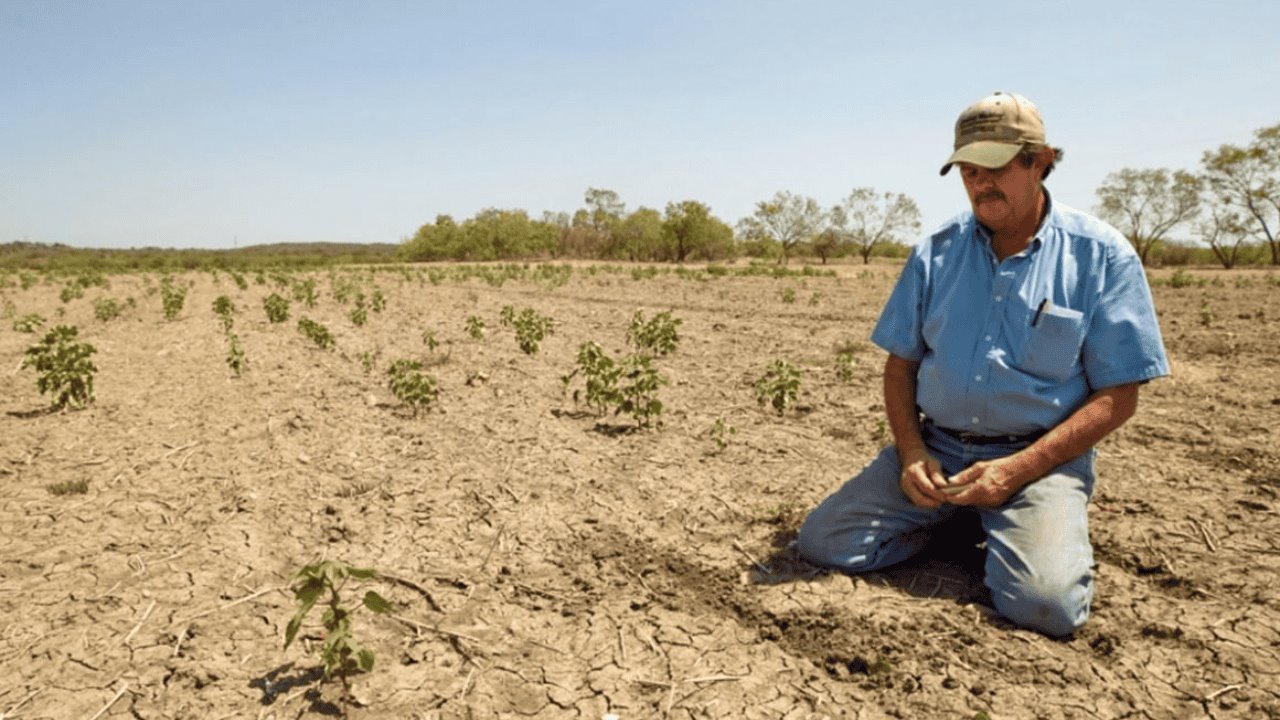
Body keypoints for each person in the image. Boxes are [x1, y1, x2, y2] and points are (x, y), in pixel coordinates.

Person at [796, 91, 1169, 637]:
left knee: (1046, 607)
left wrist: (1014, 472)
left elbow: (1119, 396)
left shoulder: (1101, 255)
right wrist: (912, 453)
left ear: (1040, 161)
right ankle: (956, 517)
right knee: (823, 542)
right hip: (939, 451)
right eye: (968, 170)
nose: (980, 183)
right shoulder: (936, 253)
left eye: (995, 167)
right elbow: (900, 367)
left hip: (1036, 463)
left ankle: (1016, 525)